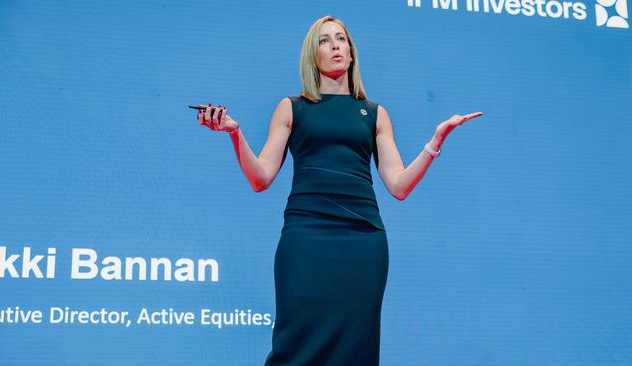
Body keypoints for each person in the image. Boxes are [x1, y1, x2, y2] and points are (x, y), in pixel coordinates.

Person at [197, 15, 483, 366]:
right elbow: (261, 178)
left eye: (341, 39)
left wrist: (435, 141)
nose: (335, 45)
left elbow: (399, 186)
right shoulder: (292, 108)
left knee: (355, 348)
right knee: (296, 345)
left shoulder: (375, 113)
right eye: (324, 40)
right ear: (311, 55)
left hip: (363, 241)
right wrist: (234, 133)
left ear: (351, 51)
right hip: (306, 237)